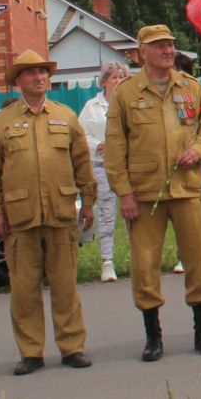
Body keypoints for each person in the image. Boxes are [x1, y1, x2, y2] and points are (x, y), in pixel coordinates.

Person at [105, 25, 201, 361]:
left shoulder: (192, 88)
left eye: (170, 44)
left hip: (186, 190)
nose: (168, 50)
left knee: (198, 260)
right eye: (159, 46)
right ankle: (152, 336)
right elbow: (114, 148)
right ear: (142, 54)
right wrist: (124, 193)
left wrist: (198, 150)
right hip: (144, 194)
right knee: (144, 264)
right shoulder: (126, 94)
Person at [0, 50, 96, 375]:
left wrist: (88, 201)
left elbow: (82, 164)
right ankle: (31, 352)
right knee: (24, 290)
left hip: (61, 215)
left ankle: (72, 347)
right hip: (20, 218)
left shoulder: (65, 116)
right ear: (18, 81)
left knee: (65, 287)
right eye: (31, 72)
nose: (39, 77)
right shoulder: (3, 122)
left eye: (43, 72)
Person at [78, 62, 127, 283]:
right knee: (107, 215)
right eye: (114, 77)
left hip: (127, 167)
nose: (118, 81)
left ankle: (142, 258)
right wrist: (98, 144)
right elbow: (81, 134)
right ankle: (107, 261)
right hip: (101, 167)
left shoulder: (131, 103)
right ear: (105, 81)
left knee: (134, 213)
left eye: (122, 77)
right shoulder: (92, 106)